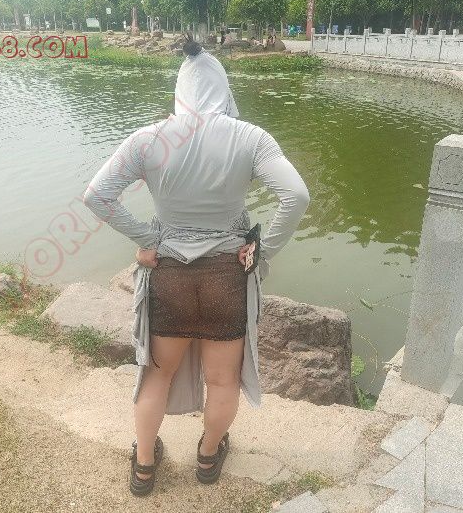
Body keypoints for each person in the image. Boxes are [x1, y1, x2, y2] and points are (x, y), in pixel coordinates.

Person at [82, 33, 310, 497]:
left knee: (156, 374)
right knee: (223, 380)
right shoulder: (251, 137)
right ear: (224, 90)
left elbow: (97, 196)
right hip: (227, 275)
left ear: (180, 90)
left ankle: (144, 467)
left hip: (169, 275)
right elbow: (296, 196)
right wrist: (263, 250)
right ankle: (207, 457)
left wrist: (149, 239)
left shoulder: (148, 138)